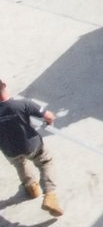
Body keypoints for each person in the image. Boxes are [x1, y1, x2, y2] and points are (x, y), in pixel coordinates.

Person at [0, 80, 58, 216]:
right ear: (4, 85)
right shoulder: (23, 104)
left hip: (10, 150)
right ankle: (49, 195)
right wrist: (49, 121)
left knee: (20, 164)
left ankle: (32, 187)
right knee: (45, 162)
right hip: (31, 145)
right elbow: (48, 116)